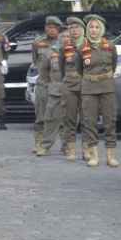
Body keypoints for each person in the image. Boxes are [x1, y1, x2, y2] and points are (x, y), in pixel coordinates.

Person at [77, 14, 120, 168]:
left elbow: (114, 64)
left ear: (101, 29)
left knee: (110, 121)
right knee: (89, 121)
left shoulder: (110, 46)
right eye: (91, 28)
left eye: (96, 27)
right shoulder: (82, 47)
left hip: (107, 86)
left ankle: (110, 156)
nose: (94, 30)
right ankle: (94, 155)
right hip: (89, 87)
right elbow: (78, 68)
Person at [32, 16, 62, 156]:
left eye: (54, 28)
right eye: (48, 27)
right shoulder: (38, 43)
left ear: (58, 29)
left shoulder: (64, 43)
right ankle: (39, 142)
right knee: (41, 115)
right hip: (43, 84)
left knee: (60, 115)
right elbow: (35, 60)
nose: (51, 30)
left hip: (57, 84)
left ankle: (65, 145)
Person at [60, 17, 86, 161]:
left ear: (83, 30)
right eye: (71, 28)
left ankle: (87, 149)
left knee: (87, 119)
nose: (74, 30)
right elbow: (62, 66)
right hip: (69, 85)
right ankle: (70, 148)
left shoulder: (89, 46)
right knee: (69, 119)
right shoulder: (65, 47)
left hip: (85, 86)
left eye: (77, 27)